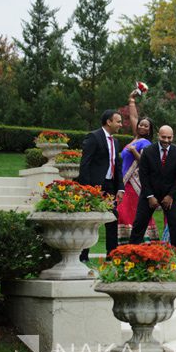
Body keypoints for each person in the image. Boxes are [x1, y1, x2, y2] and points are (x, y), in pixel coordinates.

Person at [129, 125, 176, 257]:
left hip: (170, 195)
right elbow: (144, 175)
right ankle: (130, 254)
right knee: (139, 224)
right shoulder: (148, 151)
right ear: (158, 136)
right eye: (163, 137)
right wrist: (150, 196)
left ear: (173, 137)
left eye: (169, 137)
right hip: (149, 194)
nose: (166, 140)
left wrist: (171, 196)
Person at [78, 109, 124, 262]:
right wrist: (87, 189)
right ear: (108, 122)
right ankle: (83, 256)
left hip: (110, 186)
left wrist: (120, 187)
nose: (121, 125)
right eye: (118, 121)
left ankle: (112, 256)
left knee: (112, 218)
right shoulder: (93, 137)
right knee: (89, 220)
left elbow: (117, 165)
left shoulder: (116, 141)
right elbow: (85, 164)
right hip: (93, 187)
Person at [117, 92, 158, 245]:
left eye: (145, 126)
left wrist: (134, 152)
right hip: (124, 182)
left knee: (126, 213)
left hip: (134, 184)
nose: (141, 126)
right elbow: (134, 118)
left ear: (149, 130)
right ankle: (124, 244)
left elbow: (146, 163)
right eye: (141, 124)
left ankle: (136, 242)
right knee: (123, 213)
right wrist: (131, 100)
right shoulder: (136, 139)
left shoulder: (145, 143)